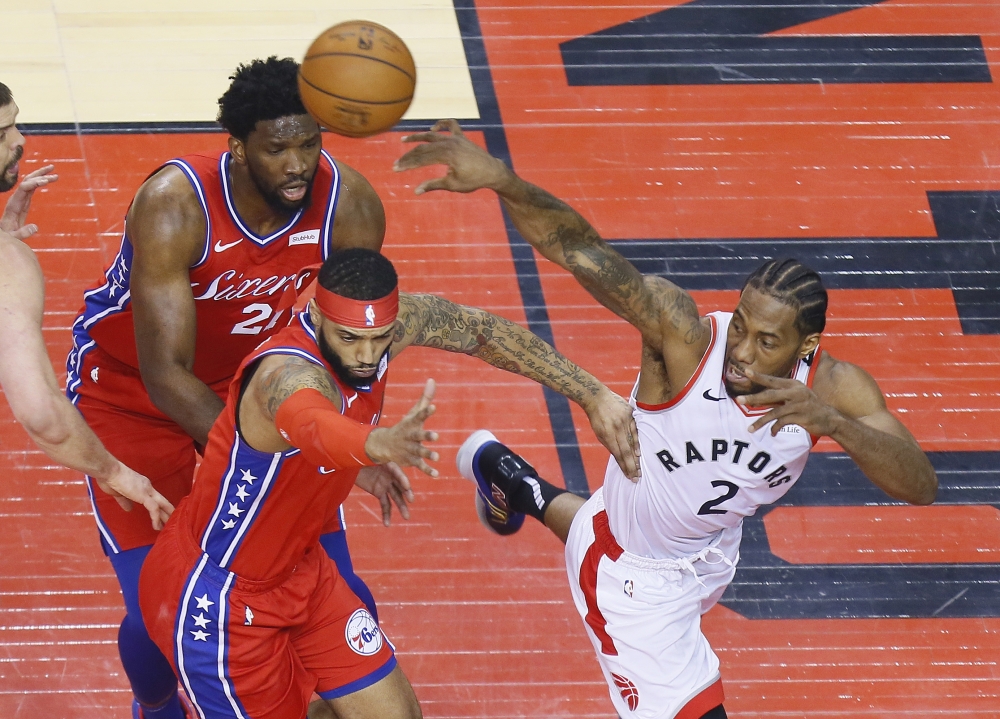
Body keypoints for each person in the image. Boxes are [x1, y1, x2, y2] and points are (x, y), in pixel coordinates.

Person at [395, 120, 939, 719]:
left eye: (767, 342)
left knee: (615, 511)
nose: (742, 352)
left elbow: (920, 486)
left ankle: (502, 471)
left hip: (709, 551)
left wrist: (833, 422)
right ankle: (506, 474)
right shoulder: (685, 340)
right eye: (741, 324)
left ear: (806, 346)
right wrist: (505, 182)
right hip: (632, 588)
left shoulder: (837, 390)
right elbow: (581, 250)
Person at [137, 246, 635, 718]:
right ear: (316, 317)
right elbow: (313, 424)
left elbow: (481, 331)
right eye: (349, 339)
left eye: (380, 339)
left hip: (300, 570)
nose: (366, 356)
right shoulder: (283, 375)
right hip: (219, 602)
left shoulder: (380, 334)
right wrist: (374, 445)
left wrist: (592, 394)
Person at [64, 59, 394, 719]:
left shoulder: (349, 205)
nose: (298, 163)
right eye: (277, 149)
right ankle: (154, 706)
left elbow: (353, 336)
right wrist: (281, 450)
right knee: (161, 613)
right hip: (131, 396)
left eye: (309, 143)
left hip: (259, 389)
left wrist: (340, 437)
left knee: (348, 592)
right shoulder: (174, 205)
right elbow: (166, 374)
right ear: (237, 149)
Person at [0, 81, 172, 531]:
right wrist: (113, 471)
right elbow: (43, 416)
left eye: (14, 123)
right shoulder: (7, 266)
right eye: (1, 133)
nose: (19, 141)